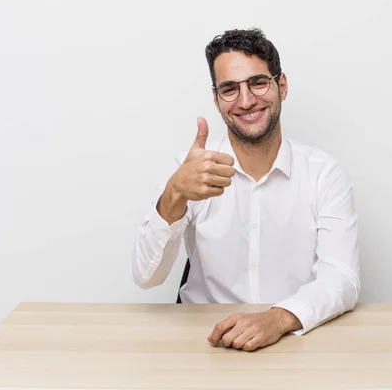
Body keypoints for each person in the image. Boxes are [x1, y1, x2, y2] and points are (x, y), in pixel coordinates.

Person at [131, 28, 360, 352]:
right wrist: (174, 195)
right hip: (204, 343)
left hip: (296, 341)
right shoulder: (191, 170)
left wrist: (277, 319)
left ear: (281, 86)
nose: (246, 100)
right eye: (230, 89)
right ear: (216, 99)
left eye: (258, 82)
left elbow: (342, 278)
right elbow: (146, 277)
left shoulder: (324, 174)